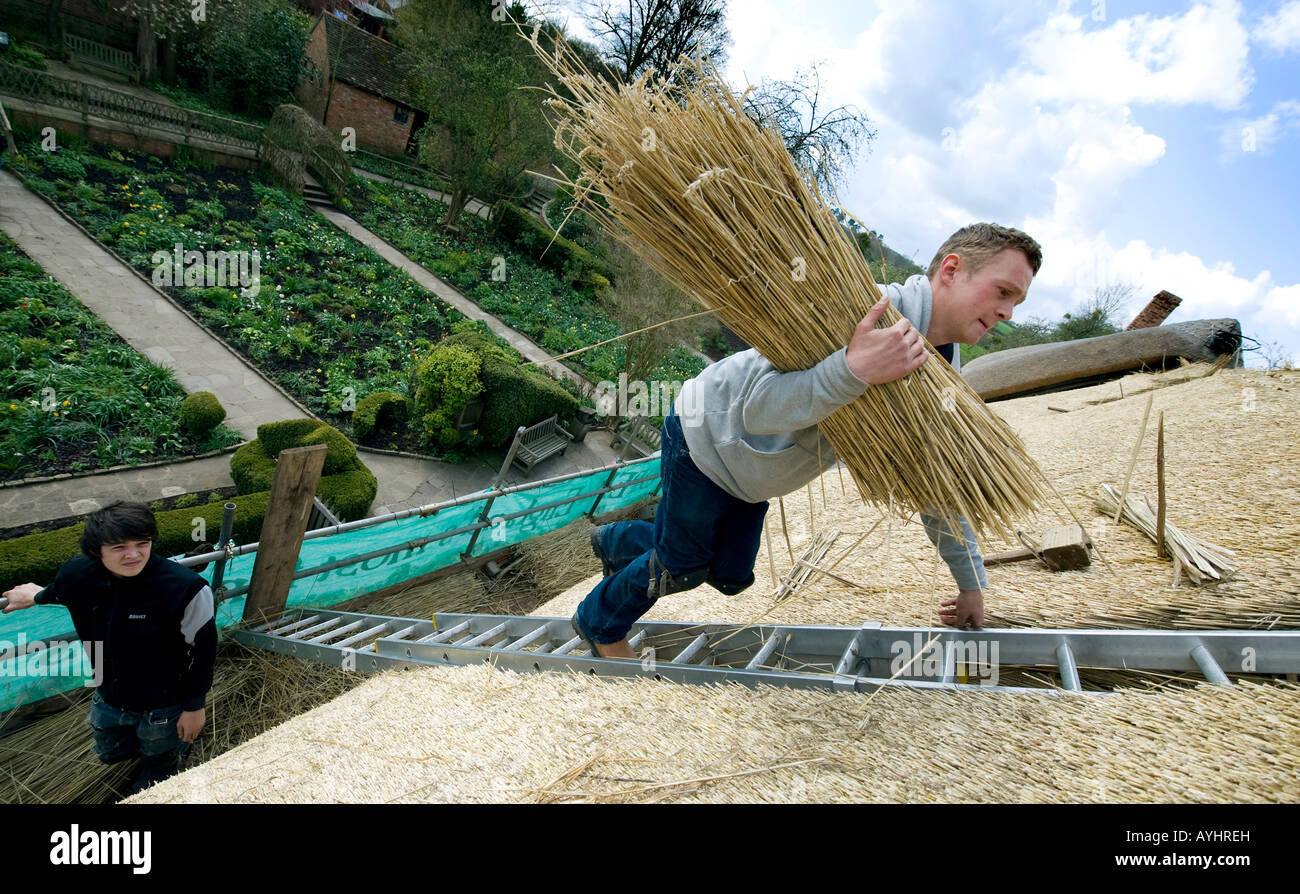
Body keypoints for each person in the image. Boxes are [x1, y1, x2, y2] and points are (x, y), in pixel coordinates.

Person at [573, 222, 1043, 659]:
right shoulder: (856, 309)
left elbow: (933, 485)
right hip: (709, 434)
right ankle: (600, 625)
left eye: (1018, 303)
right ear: (952, 269)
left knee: (732, 577)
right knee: (681, 564)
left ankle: (617, 540)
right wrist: (852, 369)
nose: (1007, 312)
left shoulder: (941, 380)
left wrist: (970, 584)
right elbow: (757, 410)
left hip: (752, 476)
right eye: (1003, 291)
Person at [2, 502, 217, 793]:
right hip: (107, 689)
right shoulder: (77, 575)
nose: (133, 554)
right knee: (110, 751)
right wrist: (35, 596)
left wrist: (194, 707)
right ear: (96, 549)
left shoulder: (186, 588)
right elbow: (60, 591)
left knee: (158, 753)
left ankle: (160, 769)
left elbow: (204, 652)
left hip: (163, 701)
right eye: (118, 547)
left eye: (143, 543)